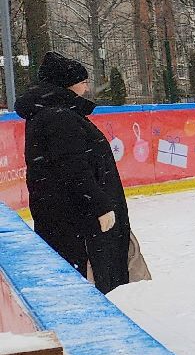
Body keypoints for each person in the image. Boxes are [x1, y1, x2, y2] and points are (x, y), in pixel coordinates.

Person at [16, 52, 134, 292]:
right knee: (84, 280)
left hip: (65, 215)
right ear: (67, 84)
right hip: (76, 219)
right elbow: (73, 168)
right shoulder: (59, 118)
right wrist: (100, 206)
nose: (87, 87)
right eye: (83, 81)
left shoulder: (54, 113)